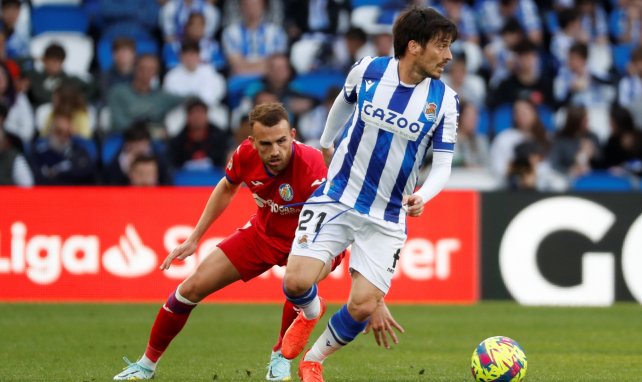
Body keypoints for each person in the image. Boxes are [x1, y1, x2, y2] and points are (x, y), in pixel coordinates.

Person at [113, 103, 401, 381]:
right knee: (189, 288)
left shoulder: (316, 167)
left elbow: (358, 219)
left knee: (297, 283)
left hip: (315, 241)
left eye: (281, 141)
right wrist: (195, 237)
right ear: (252, 141)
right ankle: (145, 365)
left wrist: (376, 298)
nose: (275, 151)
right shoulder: (244, 155)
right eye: (266, 144)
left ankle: (281, 356)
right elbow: (227, 186)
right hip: (263, 234)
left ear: (293, 136)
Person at [279, 7, 459, 381]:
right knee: (295, 282)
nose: (449, 55)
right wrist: (326, 143)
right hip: (339, 196)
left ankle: (313, 361)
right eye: (441, 46)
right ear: (414, 46)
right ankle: (311, 312)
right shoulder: (368, 70)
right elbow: (343, 102)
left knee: (361, 305)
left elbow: (442, 164)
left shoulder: (444, 101)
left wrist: (425, 194)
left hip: (389, 216)